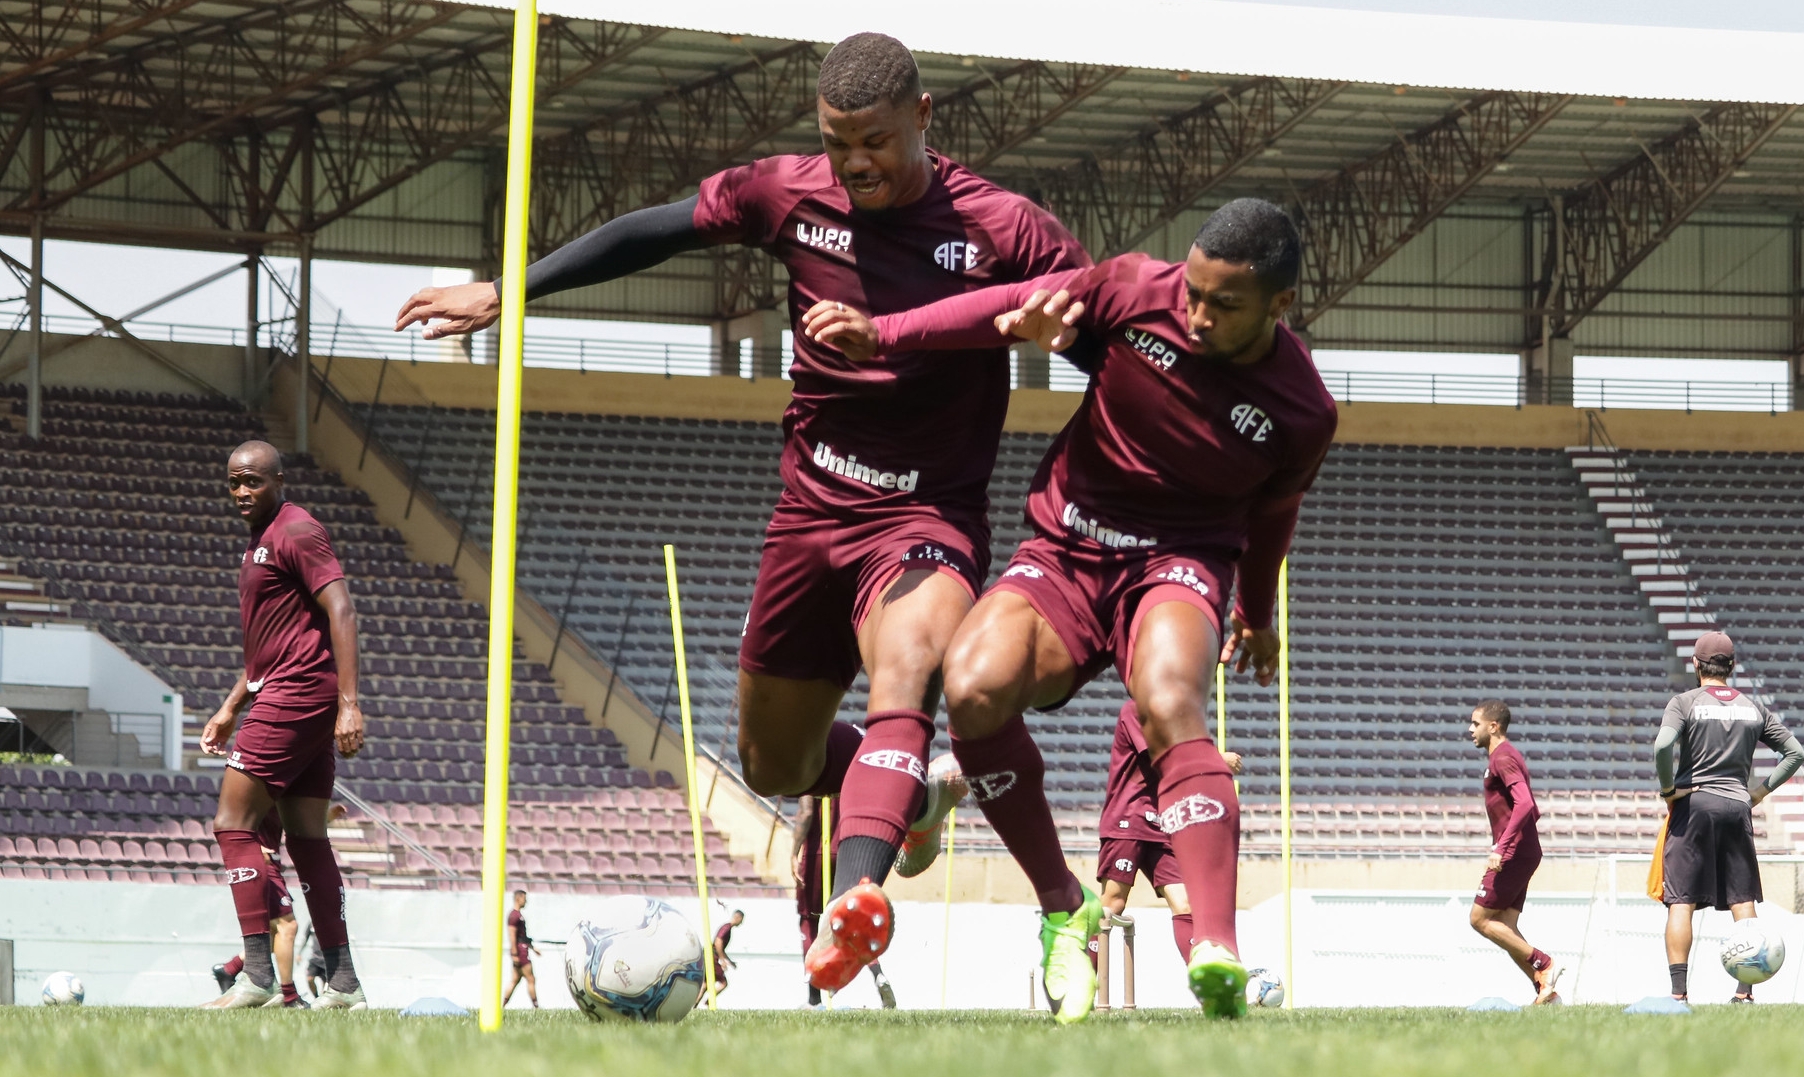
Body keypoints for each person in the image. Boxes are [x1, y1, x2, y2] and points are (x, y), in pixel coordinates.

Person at [393, 31, 1088, 996]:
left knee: (908, 673)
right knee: (774, 760)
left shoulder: (1006, 230)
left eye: (876, 142)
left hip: (926, 518)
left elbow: (1118, 349)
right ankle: (914, 797)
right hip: (808, 518)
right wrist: (511, 287)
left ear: (924, 118)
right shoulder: (789, 194)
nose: (856, 164)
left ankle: (856, 901)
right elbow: (657, 229)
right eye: (839, 142)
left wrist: (1073, 352)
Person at [805, 197, 1338, 1021]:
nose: (1196, 313)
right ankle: (1063, 906)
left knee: (1170, 702)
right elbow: (1001, 307)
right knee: (972, 685)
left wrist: (1259, 613)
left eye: (1222, 305)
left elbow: (1273, 515)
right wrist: (888, 333)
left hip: (1179, 562)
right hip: (1066, 549)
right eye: (1193, 290)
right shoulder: (1133, 287)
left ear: (1279, 306)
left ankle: (1218, 946)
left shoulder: (1303, 410)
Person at [199, 440, 368, 1009]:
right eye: (233, 483)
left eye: (253, 481)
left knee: (233, 823)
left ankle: (254, 974)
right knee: (306, 835)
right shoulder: (259, 544)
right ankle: (344, 984)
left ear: (277, 480)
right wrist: (229, 707)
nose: (242, 492)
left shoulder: (297, 530)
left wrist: (350, 703)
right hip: (289, 689)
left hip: (301, 693)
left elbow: (341, 610)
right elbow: (267, 651)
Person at [1656, 631, 1804, 1004]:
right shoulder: (1753, 708)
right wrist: (1758, 792)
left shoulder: (1684, 702)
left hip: (1694, 806)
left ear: (1695, 664)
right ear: (1732, 666)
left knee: (1682, 901)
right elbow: (1795, 753)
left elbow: (1662, 745)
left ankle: (1678, 996)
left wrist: (1668, 789)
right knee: (1741, 899)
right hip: (1738, 805)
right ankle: (1744, 992)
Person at [1097, 701, 1241, 964]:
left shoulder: (1177, 713)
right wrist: (1216, 760)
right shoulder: (1136, 709)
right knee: (1113, 903)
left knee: (1186, 905)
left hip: (1162, 823)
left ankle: (1208, 985)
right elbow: (1160, 754)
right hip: (1128, 818)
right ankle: (1080, 982)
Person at [1464, 700, 1561, 1005]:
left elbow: (1525, 804)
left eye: (1475, 723)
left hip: (1514, 853)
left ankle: (1543, 964)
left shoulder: (1502, 758)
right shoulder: (1504, 756)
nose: (1470, 729)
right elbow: (1529, 807)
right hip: (1524, 849)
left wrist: (1502, 847)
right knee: (1504, 925)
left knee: (1479, 919)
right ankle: (1546, 992)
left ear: (1493, 726)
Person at [792, 795, 898, 1009]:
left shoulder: (815, 768)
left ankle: (814, 999)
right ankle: (878, 975)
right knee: (855, 923)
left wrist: (794, 853)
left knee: (810, 922)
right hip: (848, 854)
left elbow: (806, 811)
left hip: (817, 853)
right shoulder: (848, 773)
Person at [211, 807, 309, 1008]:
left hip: (271, 863)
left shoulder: (282, 790)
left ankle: (230, 968)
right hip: (263, 864)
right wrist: (253, 847)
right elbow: (233, 814)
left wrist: (328, 815)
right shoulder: (263, 784)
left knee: (274, 933)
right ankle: (289, 996)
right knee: (287, 927)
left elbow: (301, 819)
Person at [502, 889, 541, 1007]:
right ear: (518, 899)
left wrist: (533, 947)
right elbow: (512, 935)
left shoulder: (518, 916)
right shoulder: (514, 916)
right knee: (531, 979)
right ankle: (536, 1007)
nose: (526, 901)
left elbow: (521, 937)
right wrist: (515, 954)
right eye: (524, 899)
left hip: (521, 950)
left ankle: (502, 1006)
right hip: (521, 952)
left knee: (515, 980)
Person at [710, 909, 745, 998]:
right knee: (723, 983)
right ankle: (708, 1003)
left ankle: (695, 1006)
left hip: (711, 955)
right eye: (742, 920)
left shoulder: (727, 928)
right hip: (713, 957)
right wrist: (722, 960)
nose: (741, 923)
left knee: (706, 984)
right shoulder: (726, 928)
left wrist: (729, 961)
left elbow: (721, 949)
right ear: (738, 918)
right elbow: (718, 943)